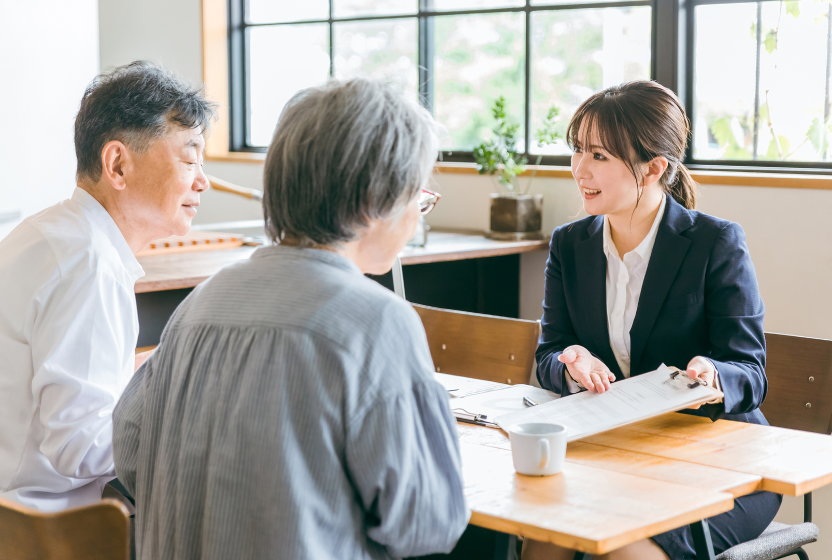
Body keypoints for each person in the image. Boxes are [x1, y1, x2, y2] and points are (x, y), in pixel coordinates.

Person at [112, 78, 469, 560]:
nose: (417, 216)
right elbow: (426, 523)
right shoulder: (376, 320)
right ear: (376, 199)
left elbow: (131, 454)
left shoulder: (200, 304)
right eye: (417, 196)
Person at [523, 81, 780, 560]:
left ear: (654, 167)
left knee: (619, 550)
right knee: (545, 534)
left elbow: (751, 372)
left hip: (722, 462)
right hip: (617, 452)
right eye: (577, 150)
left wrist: (713, 374)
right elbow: (549, 354)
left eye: (598, 155)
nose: (579, 169)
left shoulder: (715, 243)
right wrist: (569, 361)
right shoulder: (569, 244)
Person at [0, 61, 214, 512]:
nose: (203, 181)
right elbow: (80, 447)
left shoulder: (52, 232)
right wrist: (189, 418)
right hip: (43, 528)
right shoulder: (88, 265)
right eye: (190, 158)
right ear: (117, 163)